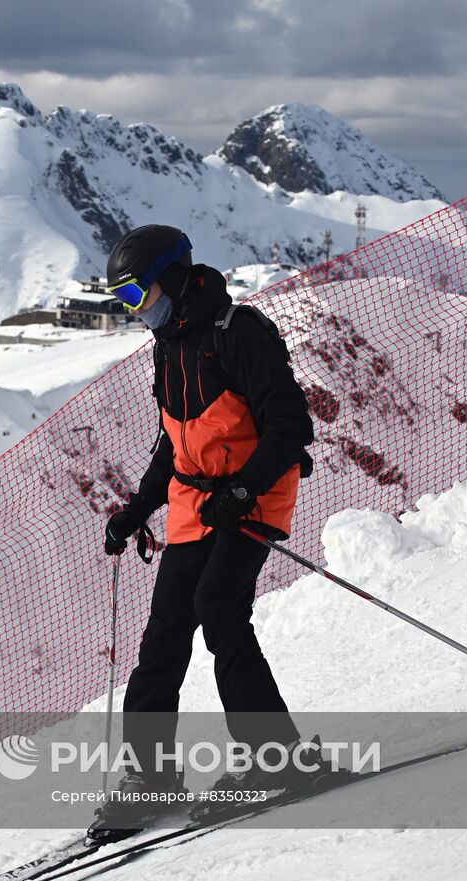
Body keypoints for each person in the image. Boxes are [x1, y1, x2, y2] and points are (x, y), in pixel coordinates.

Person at [89, 224, 318, 840]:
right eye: (122, 299)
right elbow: (175, 440)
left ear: (173, 277)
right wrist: (138, 509)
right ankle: (151, 775)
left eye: (136, 294)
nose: (132, 310)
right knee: (165, 630)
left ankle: (278, 759)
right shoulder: (168, 345)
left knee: (218, 607)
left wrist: (242, 492)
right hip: (197, 499)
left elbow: (291, 425)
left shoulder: (237, 333)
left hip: (256, 489)